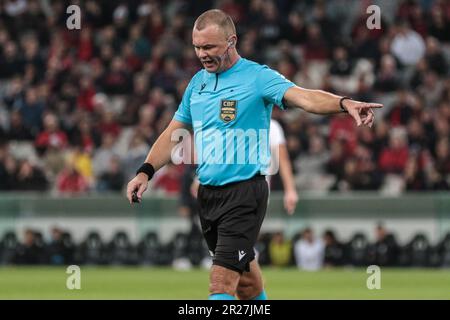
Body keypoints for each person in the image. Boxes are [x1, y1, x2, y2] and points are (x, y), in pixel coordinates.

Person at [126, 9, 382, 300]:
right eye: (197, 47)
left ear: (231, 41)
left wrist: (344, 103)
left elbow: (304, 97)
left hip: (244, 194)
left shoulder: (257, 77)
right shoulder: (197, 83)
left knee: (220, 285)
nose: (202, 54)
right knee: (249, 287)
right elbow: (174, 133)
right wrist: (145, 171)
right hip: (208, 197)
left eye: (209, 47)